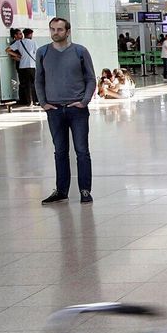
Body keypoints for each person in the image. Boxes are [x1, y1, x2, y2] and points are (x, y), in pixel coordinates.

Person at [36, 17, 97, 204]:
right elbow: (39, 79)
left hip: (76, 108)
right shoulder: (43, 52)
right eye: (53, 29)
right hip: (54, 109)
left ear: (68, 31)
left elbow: (91, 79)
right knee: (60, 151)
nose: (56, 33)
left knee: (81, 151)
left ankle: (85, 190)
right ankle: (61, 190)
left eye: (60, 29)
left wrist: (84, 101)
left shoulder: (80, 51)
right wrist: (43, 103)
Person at [6, 28, 39, 107]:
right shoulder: (33, 42)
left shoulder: (18, 42)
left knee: (26, 84)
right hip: (31, 65)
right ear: (30, 34)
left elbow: (7, 50)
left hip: (22, 66)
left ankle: (29, 101)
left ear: (24, 34)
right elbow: (37, 53)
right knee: (34, 83)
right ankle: (35, 101)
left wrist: (17, 55)